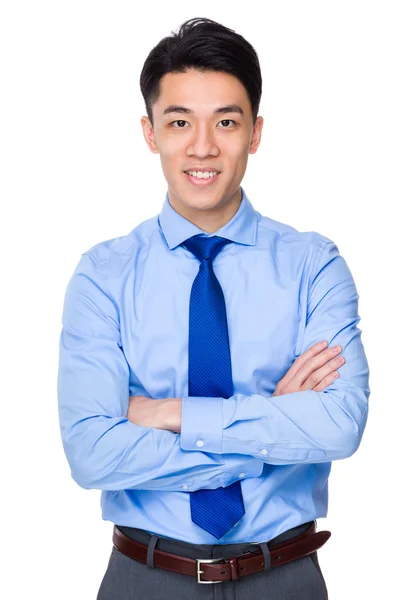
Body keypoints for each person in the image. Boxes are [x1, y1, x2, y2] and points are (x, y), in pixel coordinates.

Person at [57, 17, 370, 600]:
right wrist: (266, 429)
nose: (202, 147)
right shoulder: (103, 276)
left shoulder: (313, 266)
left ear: (255, 132)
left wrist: (171, 412)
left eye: (226, 121)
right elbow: (92, 455)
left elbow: (339, 425)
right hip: (144, 579)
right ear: (150, 133)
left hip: (285, 578)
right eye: (180, 122)